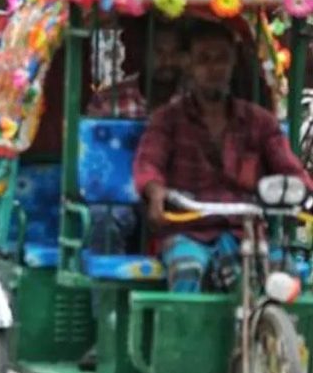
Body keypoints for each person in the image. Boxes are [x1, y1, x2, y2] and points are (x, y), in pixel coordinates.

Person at [134, 20, 313, 292]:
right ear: (188, 65)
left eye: (221, 59)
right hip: (189, 231)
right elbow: (149, 162)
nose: (213, 68)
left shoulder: (259, 121)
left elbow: (290, 169)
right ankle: (184, 336)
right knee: (187, 270)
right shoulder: (167, 119)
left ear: (232, 63)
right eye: (204, 60)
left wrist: (306, 194)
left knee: (286, 272)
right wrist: (155, 191)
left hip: (246, 230)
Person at [86, 24, 187, 255]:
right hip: (118, 197)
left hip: (175, 195)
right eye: (160, 52)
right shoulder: (109, 100)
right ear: (143, 53)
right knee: (105, 218)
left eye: (174, 53)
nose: (167, 61)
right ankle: (107, 291)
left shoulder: (195, 101)